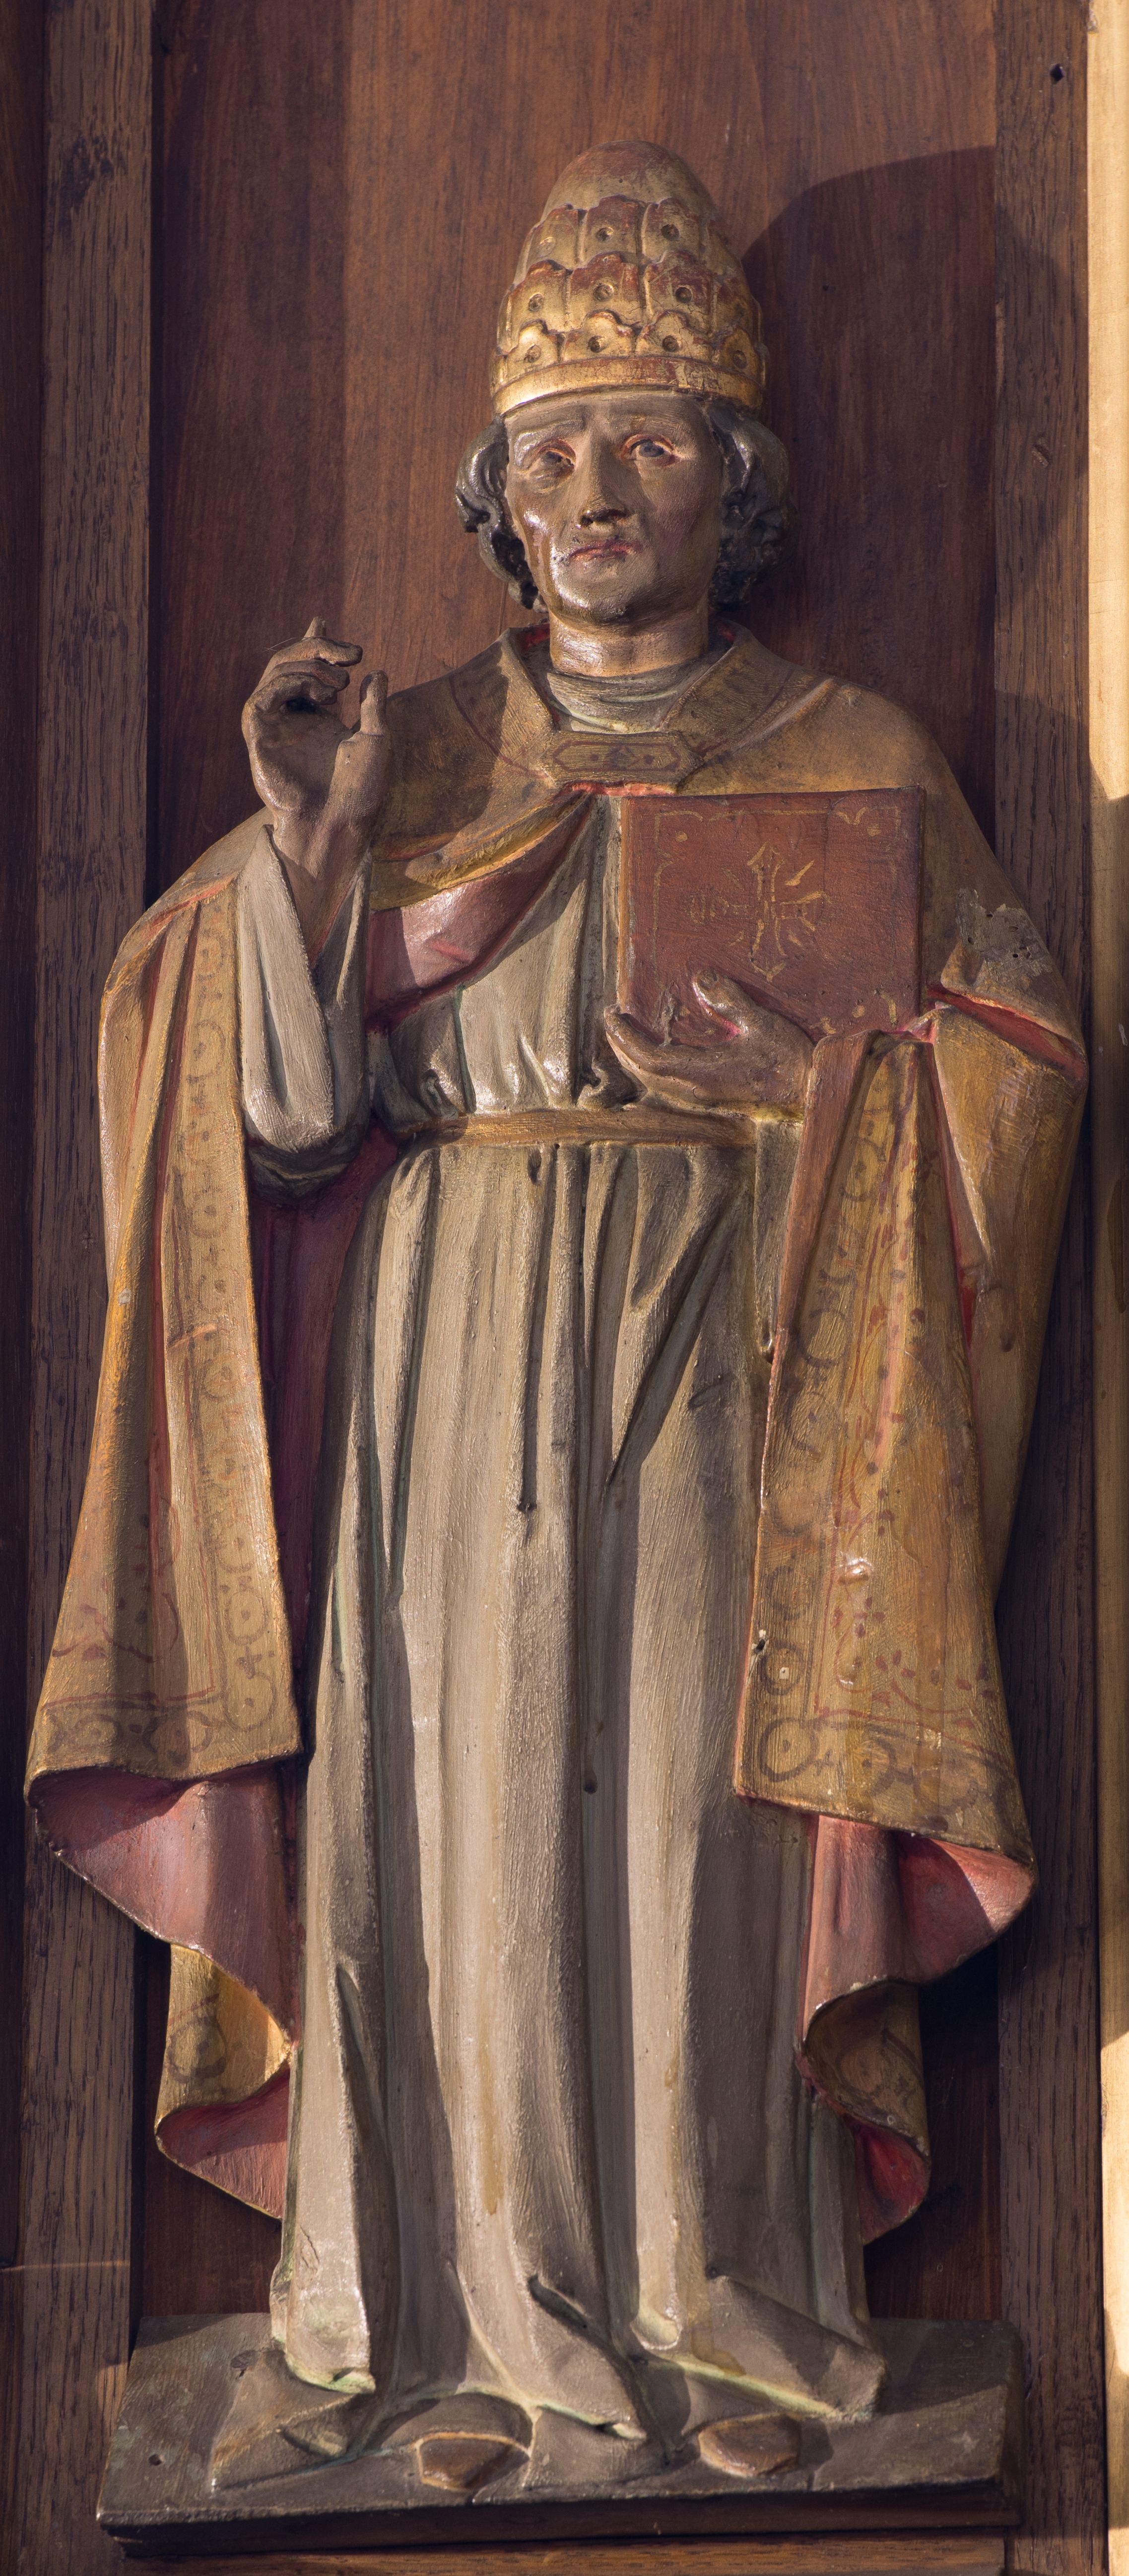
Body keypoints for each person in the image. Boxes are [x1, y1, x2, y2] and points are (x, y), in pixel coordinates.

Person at [28, 143, 1085, 2496]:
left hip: (732, 1349)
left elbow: (1017, 1058)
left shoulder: (853, 754)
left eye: (648, 437)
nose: (594, 488)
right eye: (551, 448)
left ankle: (721, 2319)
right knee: (455, 1812)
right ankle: (437, 2336)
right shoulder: (392, 756)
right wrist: (306, 867)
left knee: (699, 1816)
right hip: (444, 1344)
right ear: (496, 502)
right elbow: (261, 1124)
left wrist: (845, 1087)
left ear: (738, 478)